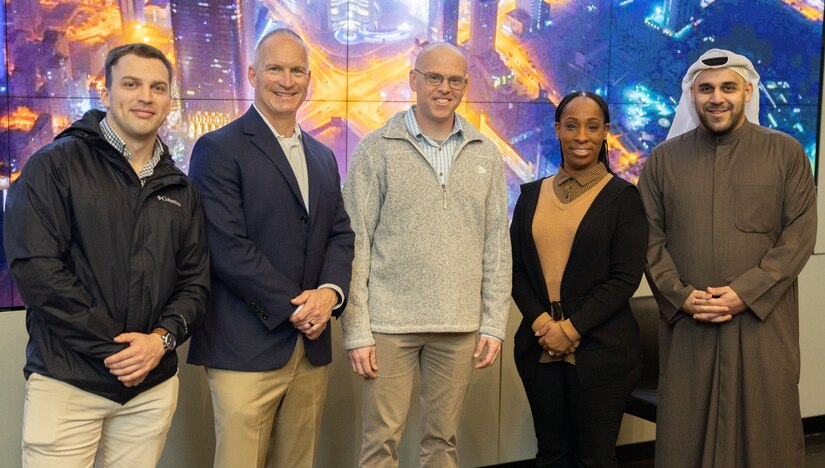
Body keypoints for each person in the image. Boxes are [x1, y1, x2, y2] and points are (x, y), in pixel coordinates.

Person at [3, 43, 210, 466]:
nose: (145, 97)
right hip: (68, 383)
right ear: (105, 92)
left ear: (170, 100)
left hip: (150, 388)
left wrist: (160, 341)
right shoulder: (53, 166)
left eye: (157, 87)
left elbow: (195, 282)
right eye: (131, 84)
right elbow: (38, 271)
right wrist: (115, 350)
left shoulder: (180, 187)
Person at [638, 48, 817, 468]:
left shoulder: (786, 153)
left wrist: (745, 292)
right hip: (690, 326)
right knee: (686, 435)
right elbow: (648, 236)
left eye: (727, 88)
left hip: (762, 325)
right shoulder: (664, 160)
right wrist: (679, 296)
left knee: (766, 433)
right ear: (692, 96)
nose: (716, 98)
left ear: (747, 92)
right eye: (706, 89)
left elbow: (799, 236)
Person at [186, 28, 354, 468]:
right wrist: (299, 307)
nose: (286, 80)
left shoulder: (322, 156)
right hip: (245, 347)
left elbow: (340, 233)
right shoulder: (217, 149)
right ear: (252, 74)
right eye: (275, 69)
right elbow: (227, 248)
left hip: (310, 349)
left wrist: (329, 295)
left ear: (309, 78)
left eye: (297, 70)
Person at [341, 42, 511, 468]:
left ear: (466, 86)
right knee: (379, 444)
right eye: (434, 77)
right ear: (413, 79)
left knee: (442, 442)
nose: (443, 88)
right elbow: (354, 243)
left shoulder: (486, 154)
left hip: (458, 327)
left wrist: (493, 323)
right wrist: (357, 329)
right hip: (389, 325)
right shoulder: (376, 149)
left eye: (454, 80)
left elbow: (496, 244)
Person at [510, 91, 647, 467]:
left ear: (605, 132)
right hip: (539, 348)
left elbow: (624, 279)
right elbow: (516, 269)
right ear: (557, 130)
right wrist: (543, 325)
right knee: (551, 454)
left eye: (591, 127)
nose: (581, 136)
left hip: (602, 350)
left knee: (594, 458)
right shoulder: (530, 195)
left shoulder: (623, 198)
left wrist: (569, 330)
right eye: (571, 126)